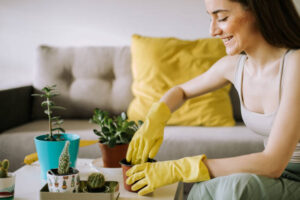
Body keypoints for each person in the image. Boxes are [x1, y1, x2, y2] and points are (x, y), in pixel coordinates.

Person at [125, 0, 300, 199]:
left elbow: (272, 164)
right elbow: (181, 90)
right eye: (210, 18)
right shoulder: (234, 67)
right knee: (205, 187)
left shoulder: (296, 63)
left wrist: (181, 168)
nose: (213, 31)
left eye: (222, 18)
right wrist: (156, 118)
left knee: (237, 188)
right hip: (279, 178)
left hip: (288, 177)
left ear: (258, 12)